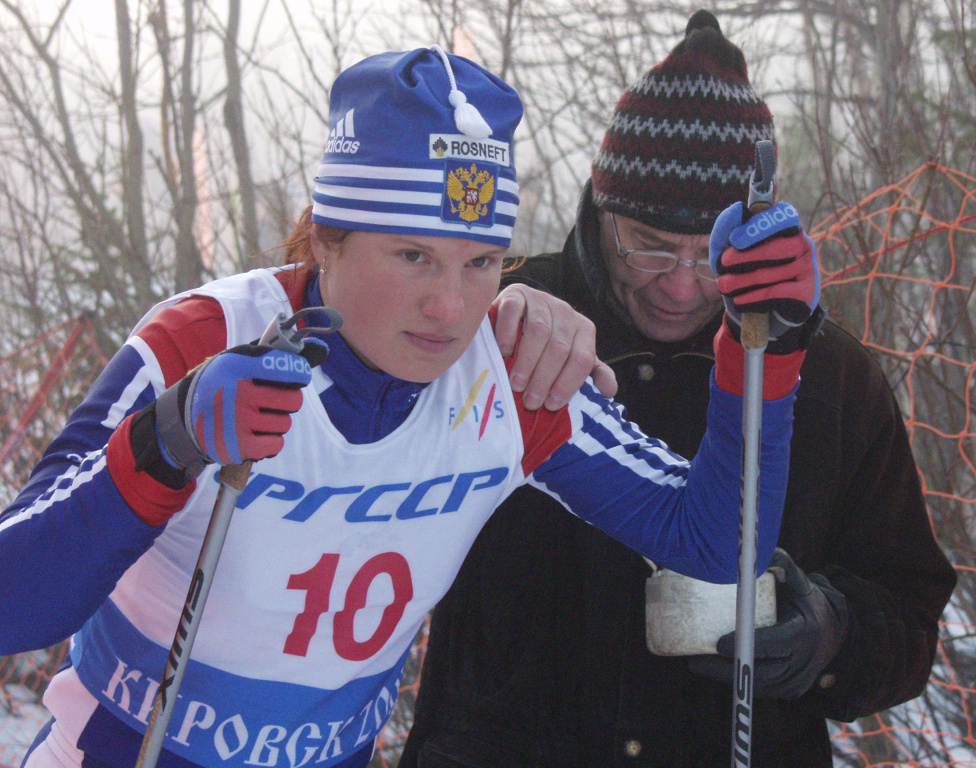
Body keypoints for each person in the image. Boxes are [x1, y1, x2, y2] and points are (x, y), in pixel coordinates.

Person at [0, 43, 819, 768]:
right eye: (412, 255)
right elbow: (8, 609)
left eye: (479, 262)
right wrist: (166, 439)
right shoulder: (206, 338)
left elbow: (716, 548)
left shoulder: (509, 374)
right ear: (329, 238)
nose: (450, 308)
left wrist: (767, 351)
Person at [401, 11, 957, 768]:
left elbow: (913, 612)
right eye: (650, 245)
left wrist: (831, 636)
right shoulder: (502, 327)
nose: (683, 285)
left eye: (713, 254)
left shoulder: (828, 377)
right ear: (599, 210)